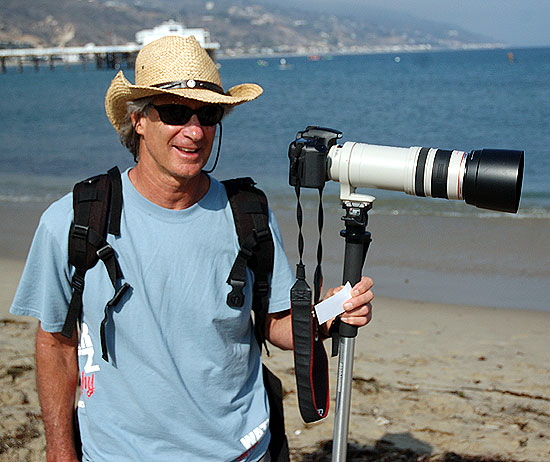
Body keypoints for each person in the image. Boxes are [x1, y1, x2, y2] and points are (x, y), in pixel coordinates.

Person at [10, 35, 374, 462]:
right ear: (139, 120)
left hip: (242, 452)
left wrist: (329, 314)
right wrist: (59, 449)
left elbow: (277, 326)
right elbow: (55, 343)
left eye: (209, 114)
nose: (195, 131)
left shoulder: (248, 213)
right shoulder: (72, 220)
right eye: (176, 112)